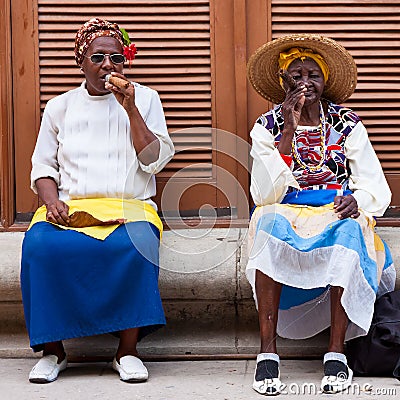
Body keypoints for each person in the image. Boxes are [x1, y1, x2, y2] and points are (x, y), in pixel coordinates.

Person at [20, 18, 174, 384]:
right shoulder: (59, 107)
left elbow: (154, 160)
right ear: (81, 61)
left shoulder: (146, 98)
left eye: (116, 58)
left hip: (129, 206)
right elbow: (43, 166)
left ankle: (127, 350)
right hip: (72, 208)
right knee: (39, 245)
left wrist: (131, 108)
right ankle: (53, 351)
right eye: (98, 57)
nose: (108, 65)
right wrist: (51, 200)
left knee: (137, 242)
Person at [246, 34, 396, 395]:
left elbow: (374, 182)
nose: (304, 83)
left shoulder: (346, 123)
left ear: (324, 80)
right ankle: (267, 351)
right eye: (295, 76)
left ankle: (336, 351)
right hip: (287, 205)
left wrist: (358, 201)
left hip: (335, 205)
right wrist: (288, 129)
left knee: (350, 231)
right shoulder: (266, 125)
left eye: (312, 74)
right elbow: (264, 193)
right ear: (283, 83)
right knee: (267, 224)